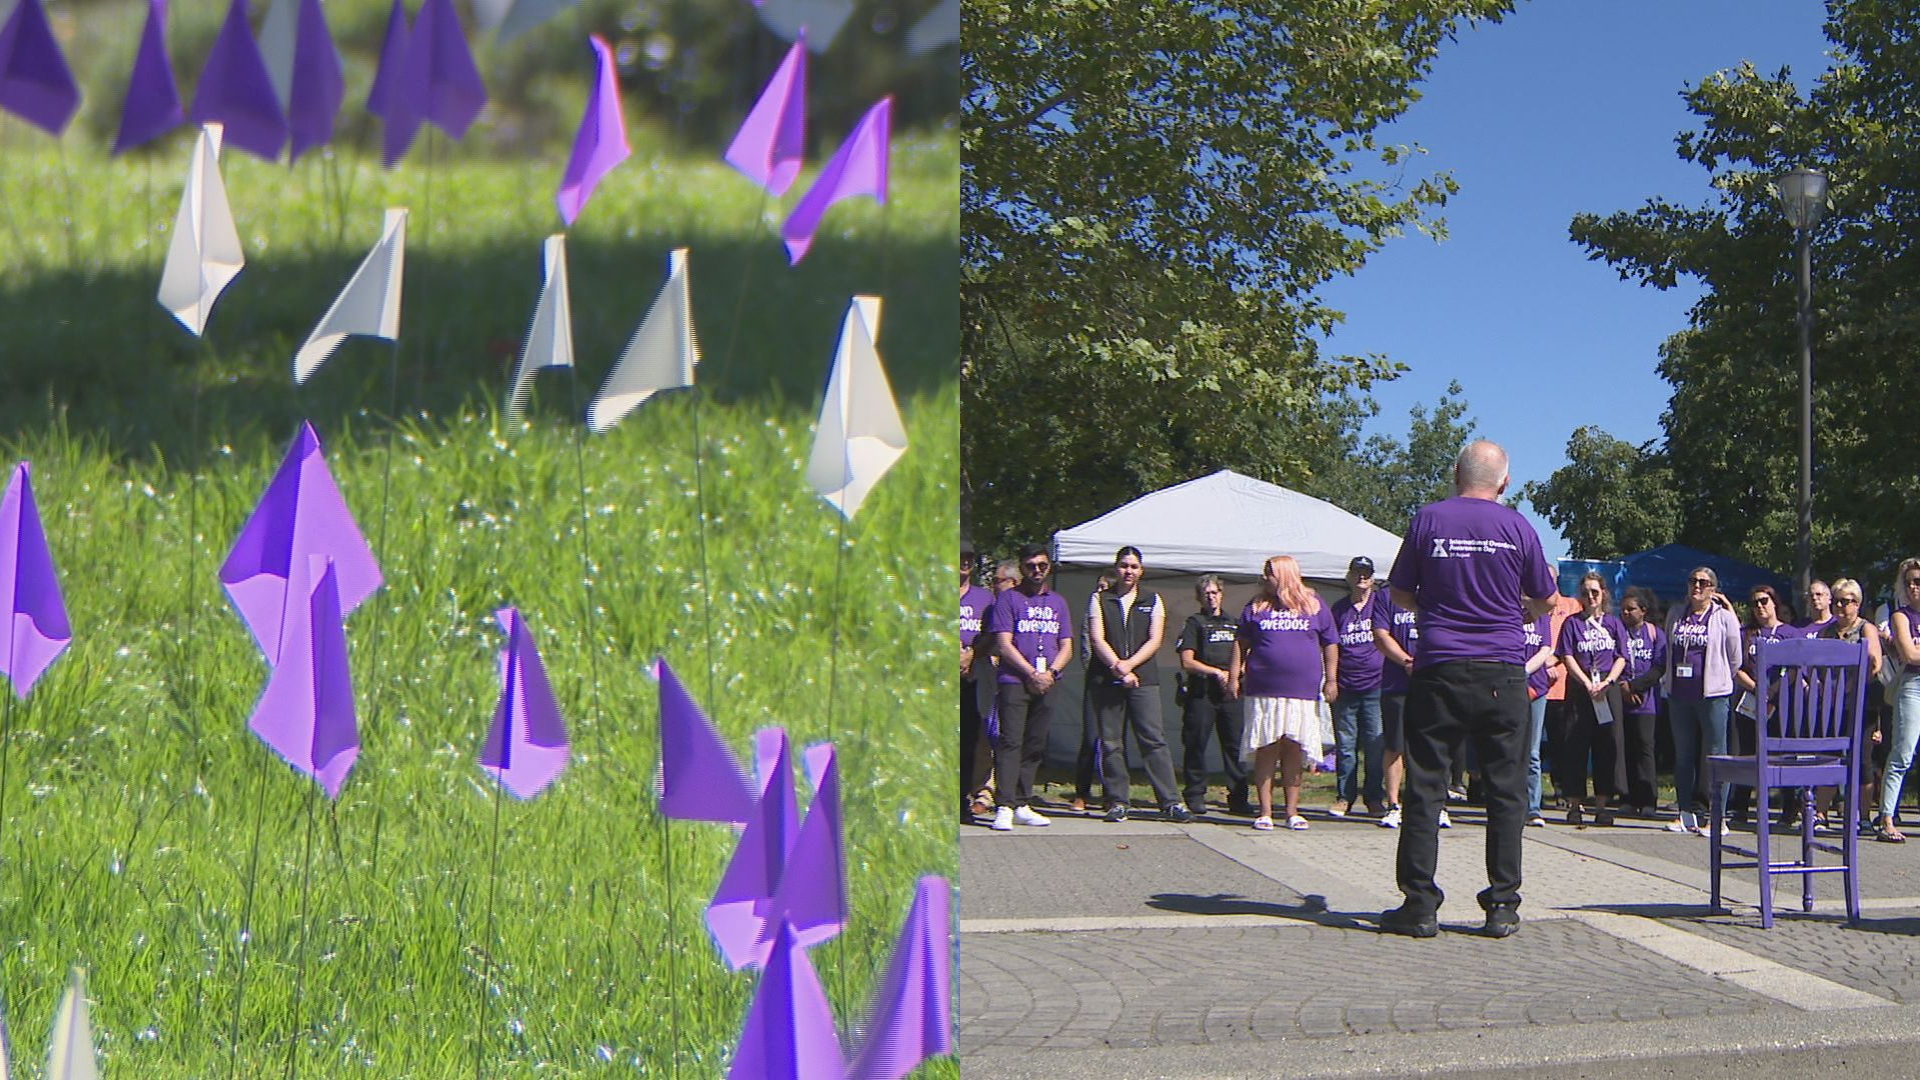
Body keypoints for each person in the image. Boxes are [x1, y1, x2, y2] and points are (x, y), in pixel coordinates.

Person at [1379, 440, 1557, 939]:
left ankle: (1419, 904)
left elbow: (1398, 592)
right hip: (1502, 670)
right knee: (1505, 792)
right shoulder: (1517, 526)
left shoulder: (1427, 520)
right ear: (1505, 481)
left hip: (1439, 667)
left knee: (1425, 787)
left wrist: (1436, 606)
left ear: (1456, 472)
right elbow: (1547, 597)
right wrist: (1522, 612)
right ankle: (1502, 905)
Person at [1228, 555, 1336, 832]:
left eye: (1269, 573)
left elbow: (1331, 644)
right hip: (1263, 690)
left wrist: (1332, 679)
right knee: (1266, 748)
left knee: (1294, 748)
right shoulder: (1255, 606)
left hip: (1302, 692)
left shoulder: (1314, 605)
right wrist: (1233, 675)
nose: (1264, 578)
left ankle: (1292, 811)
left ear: (1284, 575)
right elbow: (1241, 643)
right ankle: (1265, 811)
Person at [1087, 547, 1191, 822]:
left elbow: (1155, 639)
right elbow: (1097, 639)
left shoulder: (1152, 599)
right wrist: (1117, 668)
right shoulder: (1099, 599)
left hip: (1143, 679)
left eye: (1133, 566)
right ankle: (1118, 801)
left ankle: (1170, 802)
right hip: (1106, 679)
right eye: (1123, 566)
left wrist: (1129, 666)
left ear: (1141, 570)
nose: (1128, 571)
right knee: (1111, 743)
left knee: (1153, 739)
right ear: (1116, 568)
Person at [985, 545, 1073, 831]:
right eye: (1031, 565)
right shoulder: (1009, 599)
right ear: (1022, 569)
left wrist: (1051, 672)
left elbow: (1067, 645)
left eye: (1042, 565)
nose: (1037, 570)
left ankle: (1023, 802)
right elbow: (1004, 644)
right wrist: (1031, 672)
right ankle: (1005, 804)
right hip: (1015, 680)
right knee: (1011, 741)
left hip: (1049, 681)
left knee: (1035, 742)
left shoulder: (1058, 602)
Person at [1661, 567, 1742, 835]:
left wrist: (1719, 679)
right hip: (1679, 695)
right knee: (1683, 756)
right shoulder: (1675, 613)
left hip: (1712, 695)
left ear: (1713, 589)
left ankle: (1717, 817)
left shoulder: (1724, 618)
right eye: (1693, 581)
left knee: (1717, 754)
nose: (1697, 586)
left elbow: (1735, 658)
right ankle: (1686, 813)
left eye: (1703, 582)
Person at [1556, 571, 1629, 827]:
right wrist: (1587, 683)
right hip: (1580, 690)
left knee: (1606, 747)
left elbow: (1622, 656)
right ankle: (1574, 804)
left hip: (1606, 692)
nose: (1590, 597)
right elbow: (1567, 655)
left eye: (1595, 592)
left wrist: (1608, 682)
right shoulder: (1572, 623)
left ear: (1604, 594)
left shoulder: (1613, 623)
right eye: (1586, 593)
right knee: (1575, 746)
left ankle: (1602, 805)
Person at [1177, 574, 1252, 816]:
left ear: (1222, 594)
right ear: (1199, 597)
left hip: (1231, 693)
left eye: (1215, 592)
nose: (1211, 597)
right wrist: (1215, 673)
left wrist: (1235, 672)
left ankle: (1239, 798)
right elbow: (1187, 661)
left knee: (1235, 745)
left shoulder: (1233, 622)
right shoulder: (1194, 623)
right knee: (1196, 743)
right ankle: (1195, 795)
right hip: (1201, 693)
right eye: (1206, 593)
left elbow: (1245, 653)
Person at [1817, 577, 1884, 835]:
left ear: (1858, 604)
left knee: (1863, 761)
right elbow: (1817, 665)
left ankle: (1864, 817)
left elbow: (1874, 662)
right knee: (1830, 759)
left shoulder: (1866, 629)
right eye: (1838, 601)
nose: (1842, 607)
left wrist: (1850, 683)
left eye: (1848, 602)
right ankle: (1820, 814)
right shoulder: (1827, 632)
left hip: (1862, 705)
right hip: (1832, 706)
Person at [1729, 583, 1798, 827]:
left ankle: (1789, 808)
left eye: (1764, 601)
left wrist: (1773, 690)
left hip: (1782, 702)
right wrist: (1756, 688)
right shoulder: (1746, 633)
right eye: (1755, 603)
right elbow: (1735, 665)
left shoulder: (1789, 633)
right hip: (1750, 698)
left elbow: (1795, 668)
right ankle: (1740, 807)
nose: (1759, 606)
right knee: (1748, 752)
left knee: (1783, 754)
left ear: (1774, 603)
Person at [1330, 556, 1387, 817]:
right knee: (1345, 745)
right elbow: (1330, 646)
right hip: (1345, 685)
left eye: (1366, 573)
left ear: (1373, 578)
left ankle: (1374, 797)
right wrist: (1330, 680)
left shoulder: (1382, 604)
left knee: (1375, 745)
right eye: (1357, 573)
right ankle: (1344, 797)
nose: (1361, 578)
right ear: (1349, 576)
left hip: (1377, 685)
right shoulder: (1339, 609)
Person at [1372, 588, 1420, 828]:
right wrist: (1406, 661)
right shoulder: (1387, 595)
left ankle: (1433, 805)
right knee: (1395, 745)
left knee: (1429, 746)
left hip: (1433, 680)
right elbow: (1381, 634)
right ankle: (1393, 804)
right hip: (1396, 682)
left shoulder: (1440, 586)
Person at [1618, 587, 1666, 818]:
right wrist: (1624, 687)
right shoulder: (1618, 632)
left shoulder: (1655, 633)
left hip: (1647, 702)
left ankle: (1648, 800)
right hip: (1622, 698)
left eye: (1631, 609)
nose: (1626, 613)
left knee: (1645, 748)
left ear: (1643, 611)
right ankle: (1627, 797)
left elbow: (1659, 667)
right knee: (1625, 748)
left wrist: (1636, 686)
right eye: (1623, 609)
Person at [1070, 574, 1114, 814]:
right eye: (1098, 587)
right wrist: (1095, 672)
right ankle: (1082, 792)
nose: (1100, 591)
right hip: (1096, 678)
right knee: (1090, 738)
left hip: (1117, 678)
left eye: (1105, 588)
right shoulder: (1091, 610)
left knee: (1113, 740)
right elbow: (1087, 645)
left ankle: (1111, 792)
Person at [960, 547, 995, 823]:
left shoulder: (984, 597)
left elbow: (993, 635)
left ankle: (963, 799)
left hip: (973, 676)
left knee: (971, 739)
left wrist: (973, 653)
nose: (964, 564)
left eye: (969, 560)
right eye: (959, 559)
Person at [1522, 610, 1557, 828]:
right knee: (1508, 749)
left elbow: (1546, 648)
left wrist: (1526, 670)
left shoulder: (1541, 615)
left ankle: (1533, 808)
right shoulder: (1508, 609)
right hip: (1510, 686)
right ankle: (1508, 804)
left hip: (1537, 688)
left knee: (1532, 752)